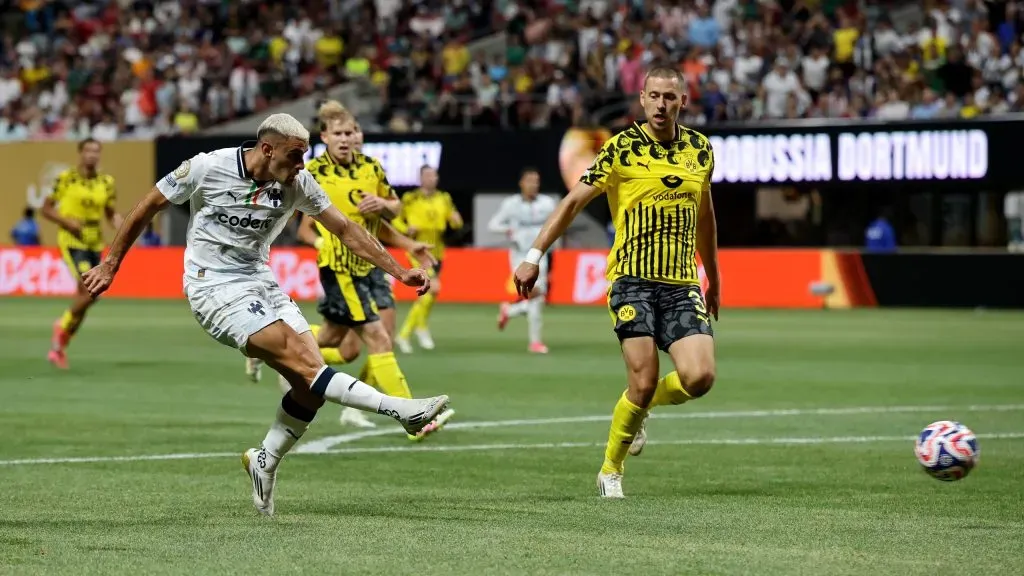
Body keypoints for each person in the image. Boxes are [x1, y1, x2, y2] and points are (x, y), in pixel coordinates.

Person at [81, 113, 450, 516]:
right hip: (211, 287)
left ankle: (265, 460)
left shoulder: (298, 183)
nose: (302, 166)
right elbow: (147, 205)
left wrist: (399, 270)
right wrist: (110, 263)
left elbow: (346, 229)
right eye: (295, 156)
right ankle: (401, 410)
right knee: (310, 365)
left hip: (261, 282)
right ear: (267, 149)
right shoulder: (208, 167)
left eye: (305, 156)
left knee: (309, 389)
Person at [513, 68, 720, 498]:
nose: (662, 104)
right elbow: (573, 202)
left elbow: (706, 217)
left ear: (683, 101)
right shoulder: (621, 148)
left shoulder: (700, 150)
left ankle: (643, 410)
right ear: (642, 100)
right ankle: (611, 469)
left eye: (671, 97)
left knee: (700, 377)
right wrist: (534, 255)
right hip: (632, 279)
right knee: (642, 381)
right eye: (654, 96)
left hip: (681, 282)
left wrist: (713, 277)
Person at [295, 101, 455, 439]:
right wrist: (322, 244)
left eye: (350, 132)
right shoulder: (313, 174)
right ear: (324, 137)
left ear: (359, 135)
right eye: (337, 133)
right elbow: (304, 228)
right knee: (378, 337)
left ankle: (285, 352)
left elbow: (390, 215)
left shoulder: (371, 168)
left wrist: (386, 209)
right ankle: (415, 419)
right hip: (340, 268)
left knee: (345, 345)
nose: (345, 138)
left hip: (374, 264)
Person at [41, 138, 124, 369]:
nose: (92, 155)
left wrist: (120, 223)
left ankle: (58, 348)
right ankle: (62, 326)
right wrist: (66, 222)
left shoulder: (106, 183)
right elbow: (46, 209)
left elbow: (110, 213)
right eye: (88, 150)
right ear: (80, 153)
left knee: (89, 295)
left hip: (94, 241)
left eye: (96, 151)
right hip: (72, 240)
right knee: (89, 290)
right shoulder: (65, 179)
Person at [393, 165, 463, 353]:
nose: (432, 178)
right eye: (428, 175)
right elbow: (395, 220)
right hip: (417, 250)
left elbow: (455, 222)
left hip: (437, 251)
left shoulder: (444, 198)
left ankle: (421, 327)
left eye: (434, 175)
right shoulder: (410, 198)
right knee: (432, 288)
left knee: (431, 294)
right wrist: (406, 229)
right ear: (421, 178)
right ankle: (404, 334)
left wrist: (456, 220)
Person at [489, 167, 557, 353]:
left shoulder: (547, 203)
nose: (533, 184)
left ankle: (510, 312)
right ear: (521, 183)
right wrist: (507, 230)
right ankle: (534, 341)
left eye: (536, 181)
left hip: (539, 254)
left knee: (538, 293)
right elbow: (493, 224)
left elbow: (556, 223)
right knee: (536, 294)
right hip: (519, 256)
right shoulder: (511, 204)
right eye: (529, 181)